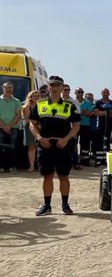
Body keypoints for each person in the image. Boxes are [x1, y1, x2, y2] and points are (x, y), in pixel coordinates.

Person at [28, 76, 81, 216]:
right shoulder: (40, 104)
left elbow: (76, 126)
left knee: (63, 176)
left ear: (62, 87)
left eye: (58, 84)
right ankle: (47, 205)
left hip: (63, 145)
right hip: (45, 145)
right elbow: (32, 123)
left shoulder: (69, 106)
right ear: (48, 86)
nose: (55, 87)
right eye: (52, 84)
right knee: (47, 176)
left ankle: (65, 204)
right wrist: (39, 138)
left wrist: (66, 139)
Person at [0, 82, 22, 173]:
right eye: (7, 87)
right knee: (1, 148)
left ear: (13, 89)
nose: (9, 89)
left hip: (14, 128)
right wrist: (3, 126)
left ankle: (13, 167)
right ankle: (1, 167)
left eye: (10, 87)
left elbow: (18, 115)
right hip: (0, 128)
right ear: (3, 88)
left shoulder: (17, 101)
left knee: (13, 148)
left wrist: (9, 126)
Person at [93, 88, 112, 165]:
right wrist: (106, 112)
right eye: (104, 92)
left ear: (109, 93)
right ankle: (99, 159)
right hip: (101, 125)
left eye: (107, 92)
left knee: (108, 142)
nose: (105, 93)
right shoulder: (98, 102)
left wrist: (107, 113)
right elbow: (96, 113)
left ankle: (107, 159)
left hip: (110, 125)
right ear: (101, 93)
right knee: (99, 142)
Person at [61, 84, 81, 169]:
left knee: (73, 145)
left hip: (71, 127)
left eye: (68, 90)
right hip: (59, 127)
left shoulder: (73, 101)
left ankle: (75, 163)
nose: (67, 91)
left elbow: (78, 113)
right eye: (65, 90)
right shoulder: (57, 100)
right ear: (62, 90)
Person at [23, 90, 41, 172]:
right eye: (35, 96)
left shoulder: (42, 105)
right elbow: (28, 120)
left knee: (43, 147)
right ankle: (32, 166)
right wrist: (37, 123)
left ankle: (41, 165)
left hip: (41, 127)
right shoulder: (26, 106)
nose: (37, 97)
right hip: (30, 128)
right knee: (32, 147)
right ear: (30, 97)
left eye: (38, 95)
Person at [76, 87, 95, 166]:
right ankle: (75, 160)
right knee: (74, 143)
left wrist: (79, 113)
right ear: (75, 93)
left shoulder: (87, 102)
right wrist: (83, 112)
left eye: (82, 92)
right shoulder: (72, 102)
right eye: (79, 92)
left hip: (85, 125)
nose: (81, 93)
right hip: (75, 125)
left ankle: (85, 160)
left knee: (84, 143)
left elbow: (91, 113)